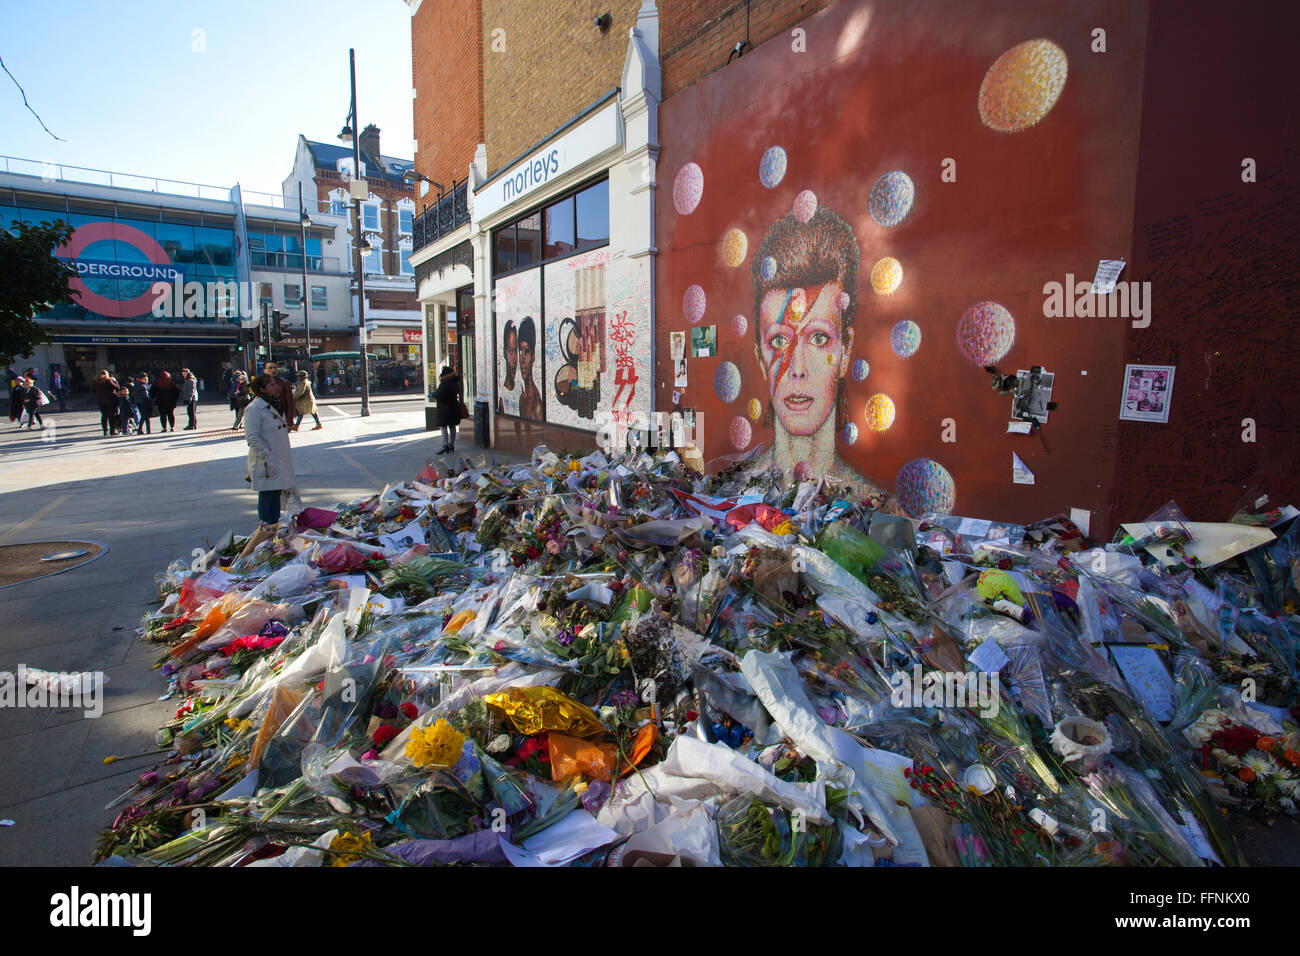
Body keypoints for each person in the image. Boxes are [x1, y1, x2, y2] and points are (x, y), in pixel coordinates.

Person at [749, 206, 892, 507]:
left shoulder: (875, 505)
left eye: (818, 338)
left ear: (845, 350)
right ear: (760, 358)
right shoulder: (739, 487)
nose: (797, 368)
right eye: (778, 340)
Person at [244, 373, 296, 530]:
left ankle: (275, 528)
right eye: (272, 385)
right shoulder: (254, 408)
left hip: (277, 459)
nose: (276, 387)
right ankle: (266, 530)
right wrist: (267, 455)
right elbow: (252, 437)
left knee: (275, 496)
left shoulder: (274, 404)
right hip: (266, 461)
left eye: (275, 384)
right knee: (267, 496)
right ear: (262, 389)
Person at [517, 315, 543, 420]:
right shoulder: (523, 398)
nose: (522, 359)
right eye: (520, 351)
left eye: (526, 351)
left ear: (533, 356)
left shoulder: (537, 405)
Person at [433, 365, 464, 454]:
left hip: (444, 409)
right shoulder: (455, 382)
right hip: (454, 407)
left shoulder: (445, 384)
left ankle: (445, 445)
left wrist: (434, 395)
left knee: (443, 427)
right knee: (452, 426)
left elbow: (440, 395)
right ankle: (451, 444)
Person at [92, 370, 121, 437]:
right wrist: (114, 381)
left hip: (101, 401)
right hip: (110, 400)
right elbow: (117, 387)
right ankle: (112, 431)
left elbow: (93, 390)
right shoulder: (108, 381)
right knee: (111, 416)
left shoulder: (95, 381)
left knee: (104, 416)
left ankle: (105, 431)